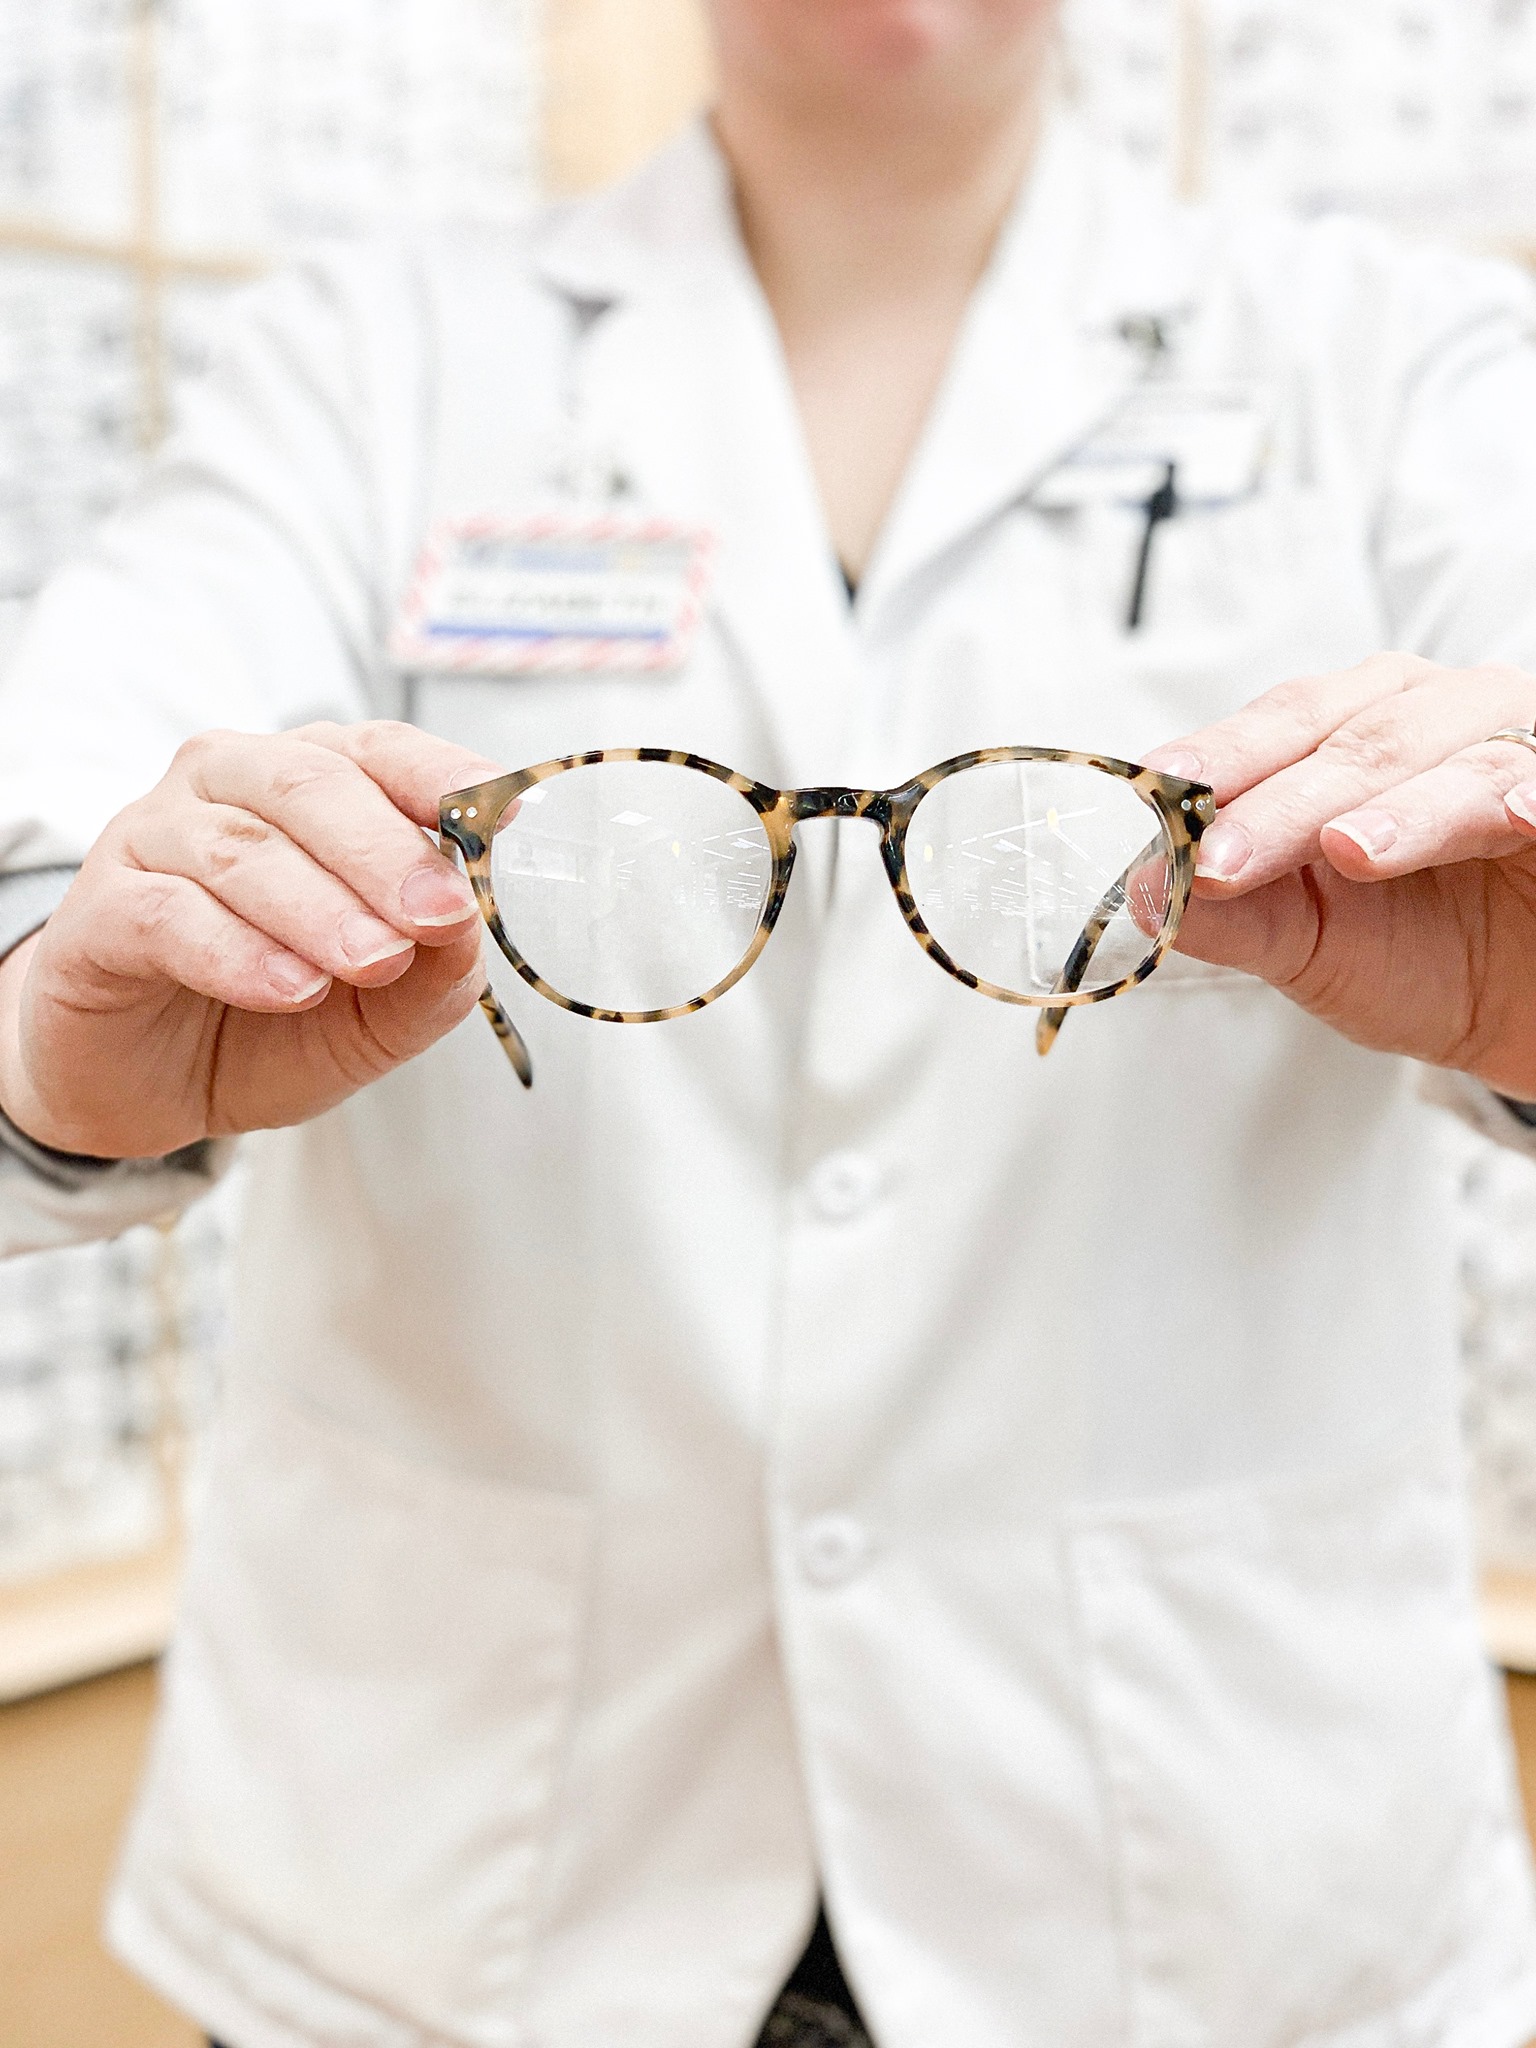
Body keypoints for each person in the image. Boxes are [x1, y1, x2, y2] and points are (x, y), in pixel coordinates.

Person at [3, 2, 1536, 2044]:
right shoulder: (360, 361)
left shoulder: (1407, 360)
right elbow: (59, 823)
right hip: (450, 1880)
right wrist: (51, 1042)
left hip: (1221, 1881)